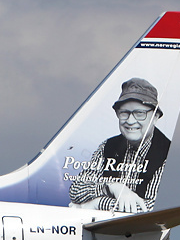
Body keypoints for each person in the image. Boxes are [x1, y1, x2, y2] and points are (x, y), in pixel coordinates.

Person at [69, 77, 170, 213]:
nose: (130, 120)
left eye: (140, 113)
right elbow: (76, 189)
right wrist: (112, 186)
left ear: (156, 116)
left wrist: (96, 204)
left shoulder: (167, 154)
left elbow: (151, 208)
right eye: (124, 113)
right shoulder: (107, 146)